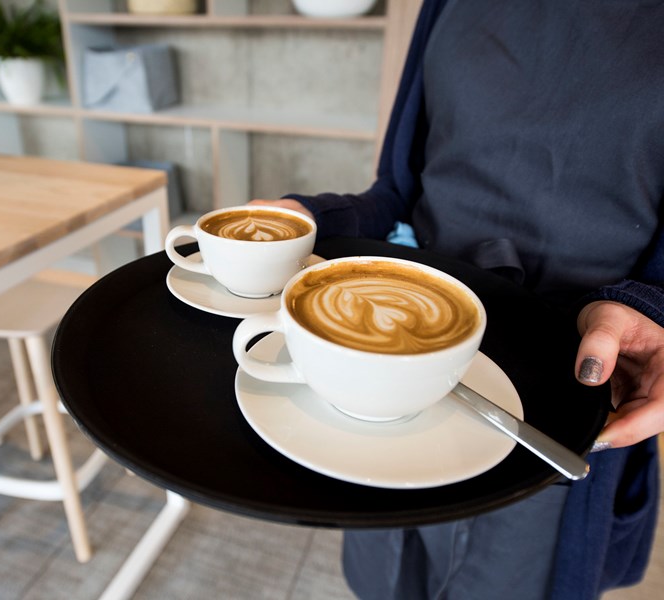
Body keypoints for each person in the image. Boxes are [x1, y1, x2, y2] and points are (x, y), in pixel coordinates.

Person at [251, 0, 664, 598]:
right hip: (397, 361)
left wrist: (650, 306)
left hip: (561, 387)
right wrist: (314, 217)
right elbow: (396, 191)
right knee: (383, 574)